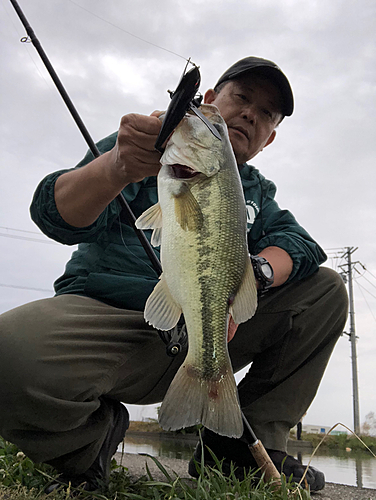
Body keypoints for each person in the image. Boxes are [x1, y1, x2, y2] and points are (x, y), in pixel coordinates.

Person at [0, 57, 348, 493]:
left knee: (326, 290)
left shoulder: (255, 191)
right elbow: (55, 217)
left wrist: (250, 275)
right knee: (7, 354)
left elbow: (302, 246)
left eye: (266, 114)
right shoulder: (143, 148)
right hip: (110, 322)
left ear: (270, 138)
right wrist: (118, 166)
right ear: (207, 101)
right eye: (242, 98)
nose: (250, 114)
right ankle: (87, 446)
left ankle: (236, 449)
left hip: (206, 333)